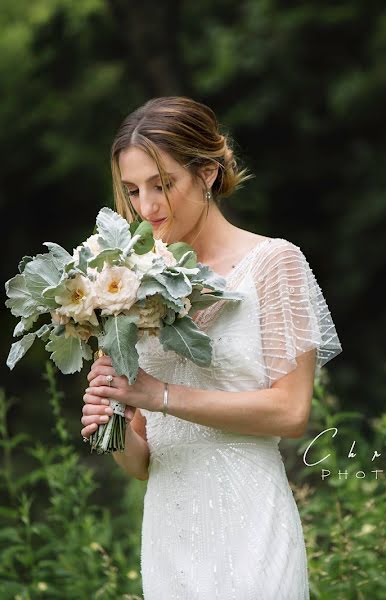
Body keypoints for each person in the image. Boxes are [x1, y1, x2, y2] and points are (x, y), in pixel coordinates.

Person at [79, 96, 342, 599]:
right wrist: (107, 423)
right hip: (169, 530)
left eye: (163, 185)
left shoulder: (274, 263)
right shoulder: (125, 284)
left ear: (207, 173)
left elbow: (291, 412)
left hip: (253, 522)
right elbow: (141, 462)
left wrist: (159, 395)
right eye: (133, 191)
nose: (147, 207)